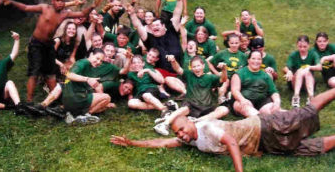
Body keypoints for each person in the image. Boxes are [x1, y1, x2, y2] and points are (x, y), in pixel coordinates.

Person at [111, 88, 335, 172]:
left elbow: (231, 142)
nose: (180, 134)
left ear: (190, 120)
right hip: (262, 144)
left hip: (265, 126)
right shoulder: (189, 138)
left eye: (181, 129)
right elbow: (161, 143)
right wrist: (133, 143)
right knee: (306, 149)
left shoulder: (206, 127)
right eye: (177, 133)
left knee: (306, 113)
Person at [0, 0, 102, 102]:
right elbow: (26, 7)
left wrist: (92, 6)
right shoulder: (44, 8)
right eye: (58, 0)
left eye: (62, 1)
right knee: (34, 73)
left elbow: (81, 14)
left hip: (48, 45)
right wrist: (11, 2)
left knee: (50, 73)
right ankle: (29, 101)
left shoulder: (64, 14)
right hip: (36, 44)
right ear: (52, 1)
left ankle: (56, 99)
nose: (60, 3)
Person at [153, 55, 229, 136]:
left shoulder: (210, 77)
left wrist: (224, 69)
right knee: (184, 109)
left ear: (203, 66)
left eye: (198, 66)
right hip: (191, 105)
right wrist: (173, 60)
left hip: (207, 107)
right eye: (194, 67)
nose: (196, 68)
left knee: (224, 109)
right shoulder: (189, 74)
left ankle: (196, 121)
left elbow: (223, 79)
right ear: (191, 68)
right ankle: (164, 123)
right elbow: (178, 69)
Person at [0, 31, 27, 114]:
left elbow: (14, 54)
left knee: (10, 83)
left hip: (2, 94)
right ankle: (6, 107)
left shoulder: (3, 63)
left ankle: (19, 106)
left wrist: (17, 40)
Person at [231, 51, 281, 117]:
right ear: (248, 60)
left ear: (261, 61)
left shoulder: (265, 75)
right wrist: (242, 100)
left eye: (259, 59)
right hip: (243, 101)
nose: (256, 61)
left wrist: (277, 102)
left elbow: (273, 91)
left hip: (262, 101)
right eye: (253, 58)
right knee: (252, 113)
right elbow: (235, 91)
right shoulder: (240, 73)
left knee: (275, 111)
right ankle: (260, 119)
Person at [283, 35, 322, 108]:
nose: (302, 49)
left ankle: (311, 97)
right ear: (297, 45)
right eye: (300, 46)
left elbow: (319, 67)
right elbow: (285, 67)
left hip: (308, 81)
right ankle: (296, 96)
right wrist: (288, 71)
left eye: (305, 46)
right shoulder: (294, 55)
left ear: (308, 46)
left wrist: (309, 67)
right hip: (295, 82)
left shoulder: (313, 54)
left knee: (306, 71)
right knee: (301, 70)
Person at [209, 34, 247, 103]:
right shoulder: (222, 53)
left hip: (237, 79)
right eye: (232, 43)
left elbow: (247, 68)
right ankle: (221, 96)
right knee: (225, 82)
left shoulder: (243, 56)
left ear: (240, 43)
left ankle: (230, 95)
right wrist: (216, 73)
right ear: (228, 43)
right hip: (225, 77)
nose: (234, 45)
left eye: (236, 43)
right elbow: (209, 63)